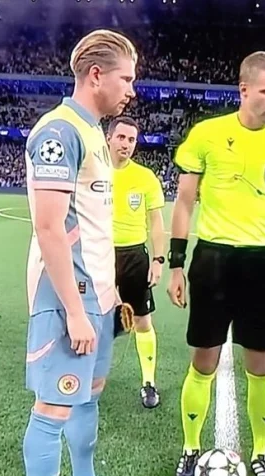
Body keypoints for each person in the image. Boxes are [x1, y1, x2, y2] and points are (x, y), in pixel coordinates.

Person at [167, 51, 265, 476]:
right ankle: (191, 448)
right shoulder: (206, 135)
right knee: (204, 361)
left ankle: (262, 453)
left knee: (260, 365)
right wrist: (176, 264)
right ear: (244, 89)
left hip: (260, 263)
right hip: (211, 261)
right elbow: (184, 203)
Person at [21, 29, 140, 476]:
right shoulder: (59, 131)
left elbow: (90, 224)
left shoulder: (94, 133)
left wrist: (109, 294)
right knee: (54, 407)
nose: (131, 89)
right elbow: (50, 228)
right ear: (96, 75)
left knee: (88, 396)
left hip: (99, 295)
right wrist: (74, 310)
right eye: (126, 78)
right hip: (67, 295)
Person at [107, 116, 166, 409]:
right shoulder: (93, 172)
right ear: (109, 138)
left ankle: (148, 383)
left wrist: (158, 259)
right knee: (95, 319)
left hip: (134, 256)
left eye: (131, 139)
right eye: (121, 137)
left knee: (142, 320)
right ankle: (90, 377)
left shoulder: (145, 177)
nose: (127, 144)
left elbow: (156, 223)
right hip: (100, 254)